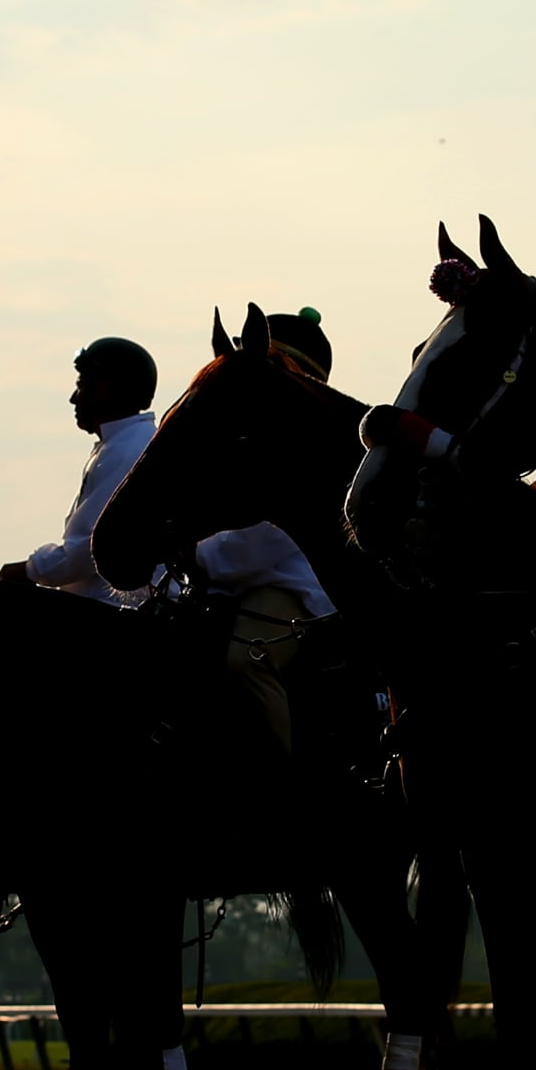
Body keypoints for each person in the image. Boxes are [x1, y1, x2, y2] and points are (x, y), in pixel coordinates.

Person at [192, 309, 339, 757]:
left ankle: (280, 777)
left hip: (290, 587)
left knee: (247, 658)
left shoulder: (310, 442)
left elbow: (258, 544)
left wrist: (191, 556)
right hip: (234, 578)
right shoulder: (240, 434)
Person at [0, 338, 160, 606]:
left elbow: (97, 547)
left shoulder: (128, 450)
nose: (74, 398)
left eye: (81, 385)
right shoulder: (127, 442)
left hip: (111, 609)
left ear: (106, 389)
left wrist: (29, 570)